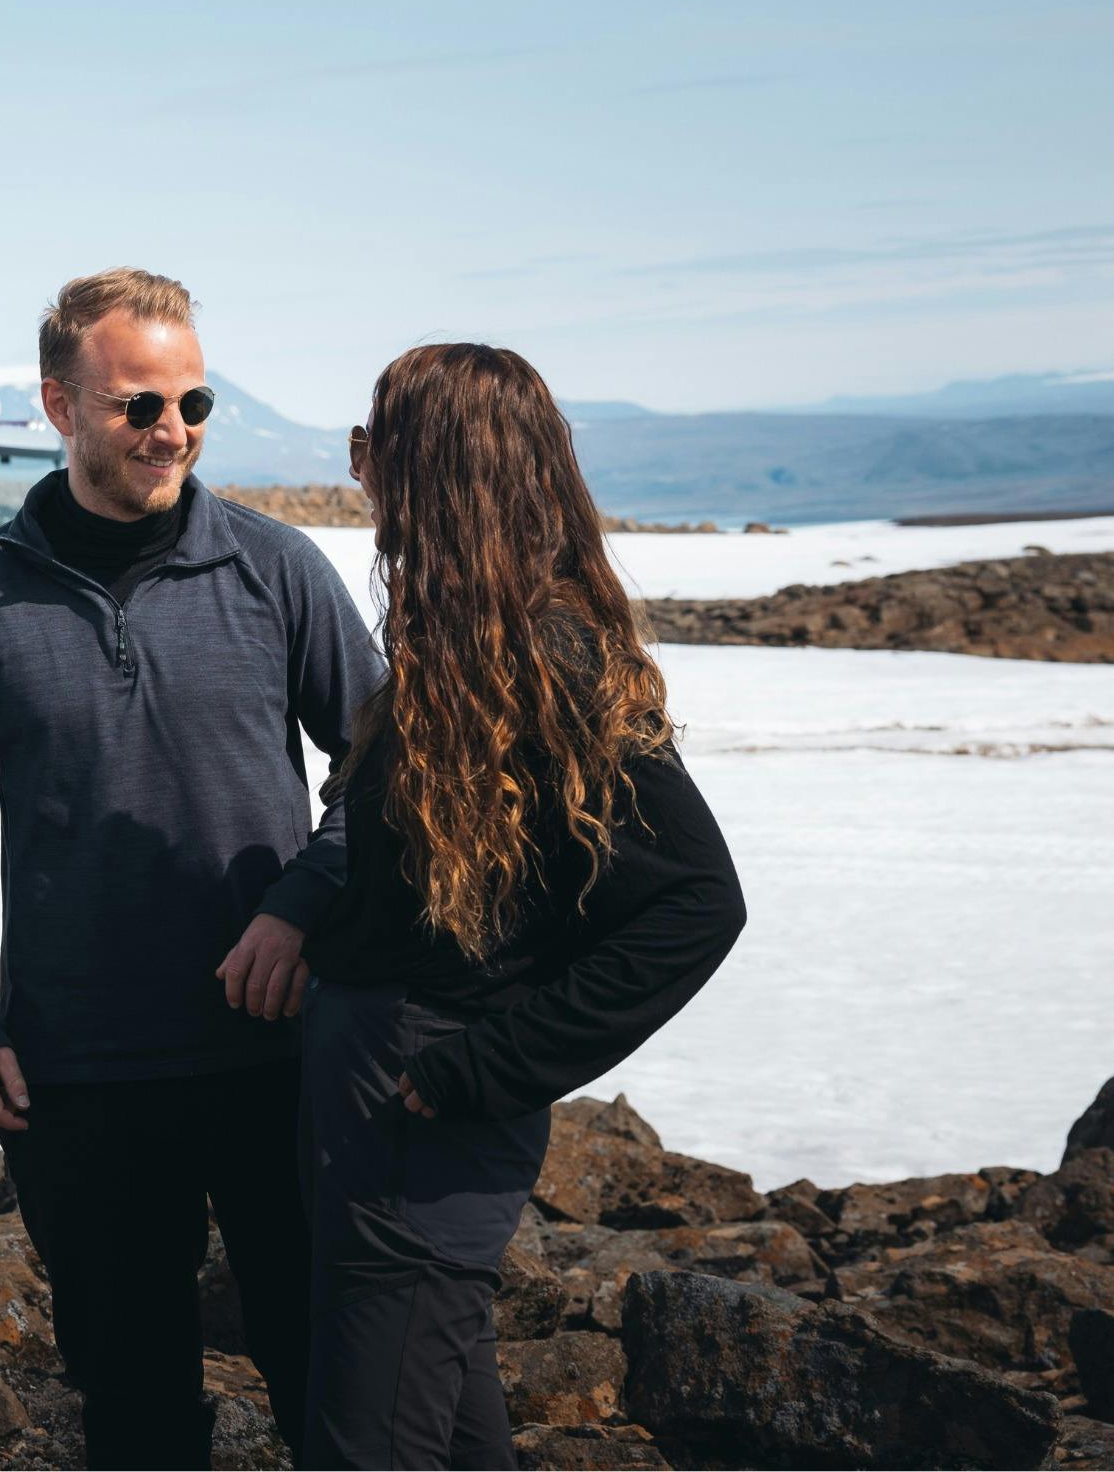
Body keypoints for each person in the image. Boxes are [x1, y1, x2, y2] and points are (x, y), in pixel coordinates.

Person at [0, 267, 383, 1468]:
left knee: (329, 1378)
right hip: (78, 1076)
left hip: (276, 1053)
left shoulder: (276, 570)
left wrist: (304, 903)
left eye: (195, 402)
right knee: (132, 1406)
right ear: (60, 407)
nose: (174, 430)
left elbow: (392, 777)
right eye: (140, 405)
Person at [297, 343, 749, 1468]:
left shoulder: (548, 657)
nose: (360, 471)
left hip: (425, 1132)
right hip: (386, 1124)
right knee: (454, 1435)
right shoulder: (462, 650)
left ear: (442, 472)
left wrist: (481, 1067)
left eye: (376, 444)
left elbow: (694, 900)